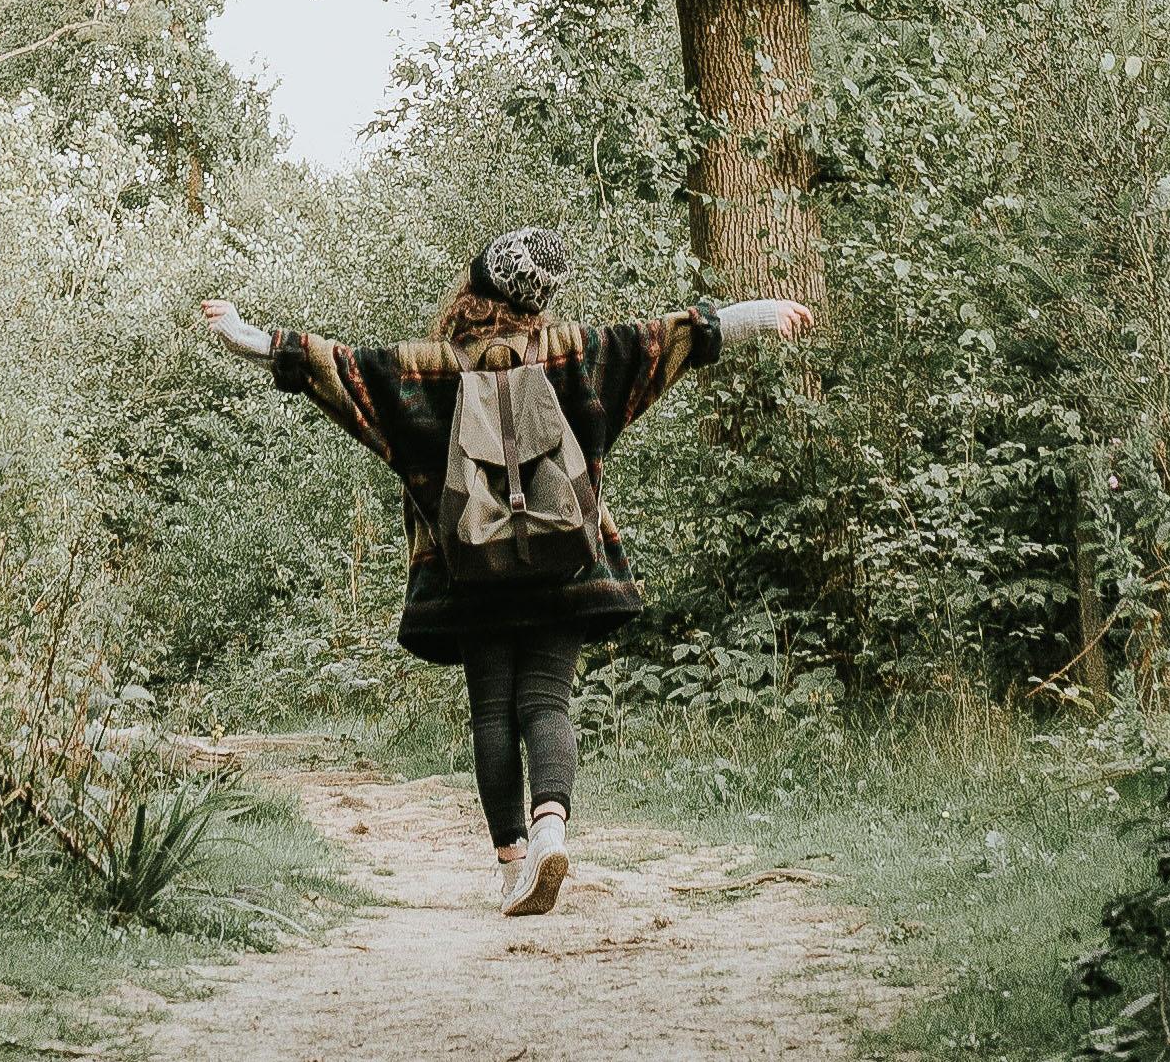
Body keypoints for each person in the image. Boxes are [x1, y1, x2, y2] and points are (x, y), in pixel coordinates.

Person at [199, 227, 815, 916]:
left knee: (493, 709)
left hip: (469, 571)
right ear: (539, 299)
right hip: (564, 567)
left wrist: (243, 333)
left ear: (476, 289)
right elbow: (665, 339)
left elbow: (335, 367)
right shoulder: (576, 355)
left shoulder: (426, 369)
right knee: (546, 704)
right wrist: (761, 312)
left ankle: (514, 864)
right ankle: (552, 823)